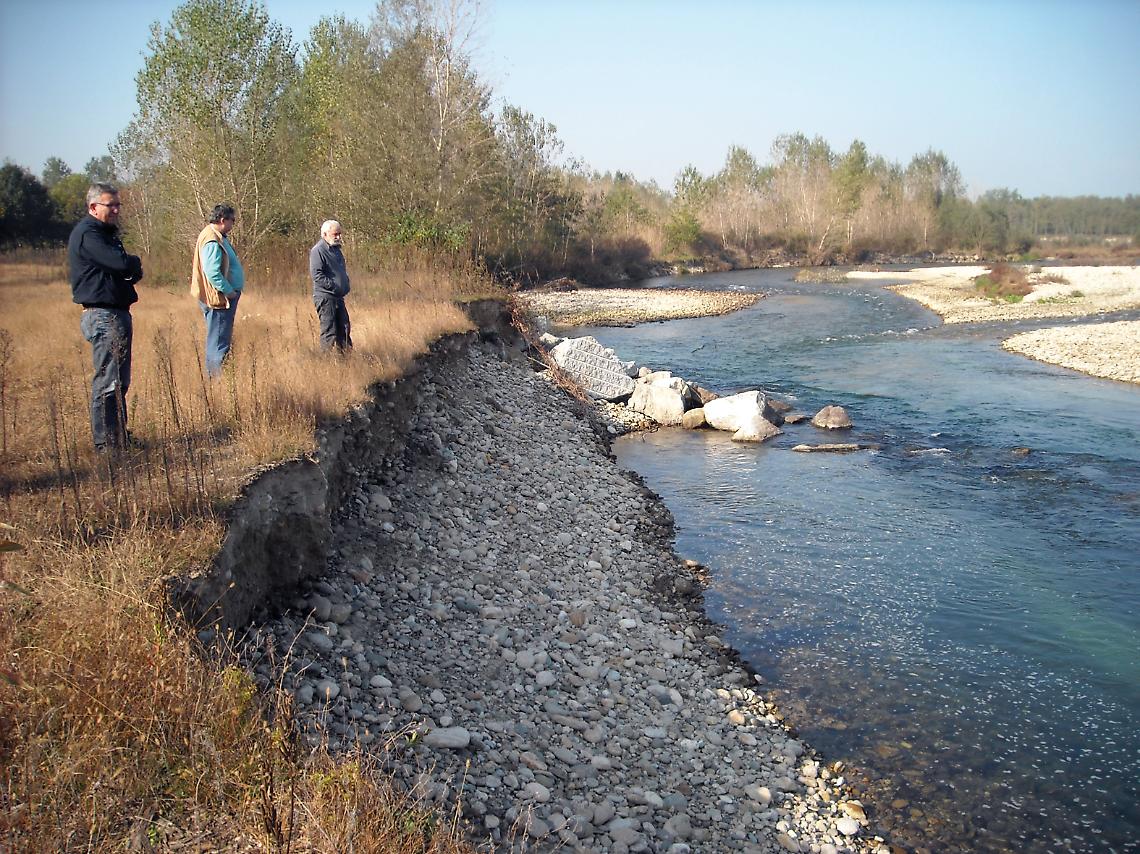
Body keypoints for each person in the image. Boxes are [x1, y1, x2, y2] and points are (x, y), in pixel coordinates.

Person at [68, 182, 144, 452]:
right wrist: (130, 264)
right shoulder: (89, 234)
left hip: (115, 314)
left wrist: (130, 266)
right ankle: (106, 446)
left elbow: (130, 271)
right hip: (103, 316)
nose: (115, 210)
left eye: (117, 204)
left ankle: (118, 437)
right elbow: (124, 265)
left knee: (120, 382)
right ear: (93, 207)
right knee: (108, 383)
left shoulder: (106, 234)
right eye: (109, 205)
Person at [190, 204, 245, 377]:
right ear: (223, 220)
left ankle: (217, 377)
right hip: (219, 300)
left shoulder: (216, 236)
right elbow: (212, 271)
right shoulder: (212, 239)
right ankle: (216, 381)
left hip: (220, 298)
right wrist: (228, 291)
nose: (233, 224)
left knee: (218, 339)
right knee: (218, 343)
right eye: (232, 220)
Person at [309, 220, 352, 352]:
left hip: (338, 297)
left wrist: (345, 283)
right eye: (335, 234)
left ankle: (347, 362)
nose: (339, 237)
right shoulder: (318, 251)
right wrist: (334, 287)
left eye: (340, 234)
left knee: (344, 329)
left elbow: (340, 272)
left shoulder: (336, 250)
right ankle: (325, 363)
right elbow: (317, 275)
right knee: (329, 332)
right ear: (325, 234)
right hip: (326, 298)